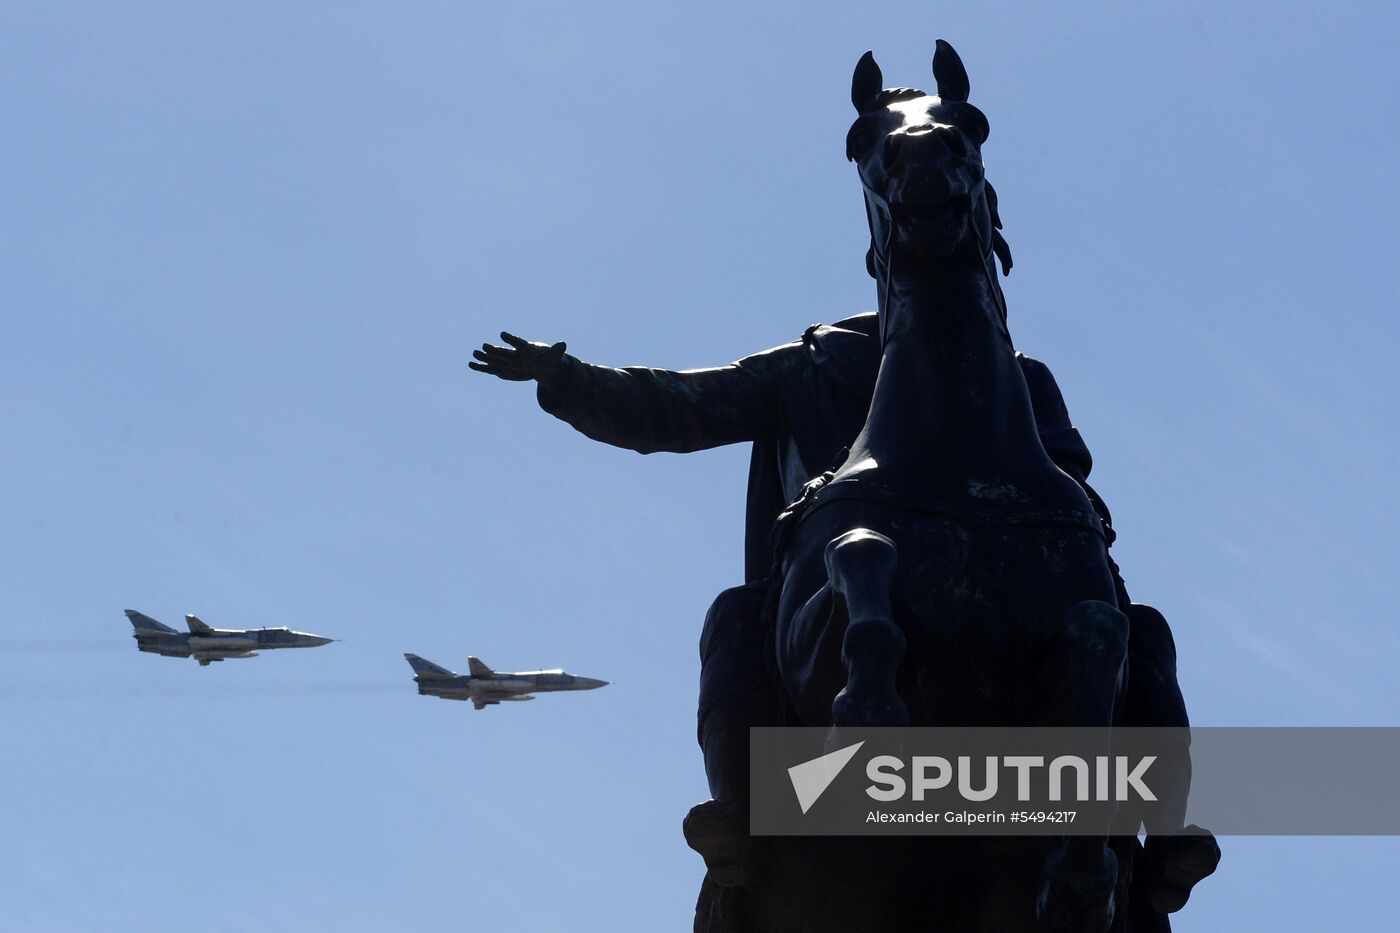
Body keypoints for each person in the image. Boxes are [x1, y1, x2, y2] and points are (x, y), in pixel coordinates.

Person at [470, 315, 1217, 914]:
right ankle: (741, 816)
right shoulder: (816, 364)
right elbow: (678, 407)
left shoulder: (1016, 377)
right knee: (735, 616)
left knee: (1136, 630)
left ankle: (1163, 836)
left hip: (1007, 572)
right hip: (824, 580)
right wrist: (565, 378)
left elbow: (1070, 478)